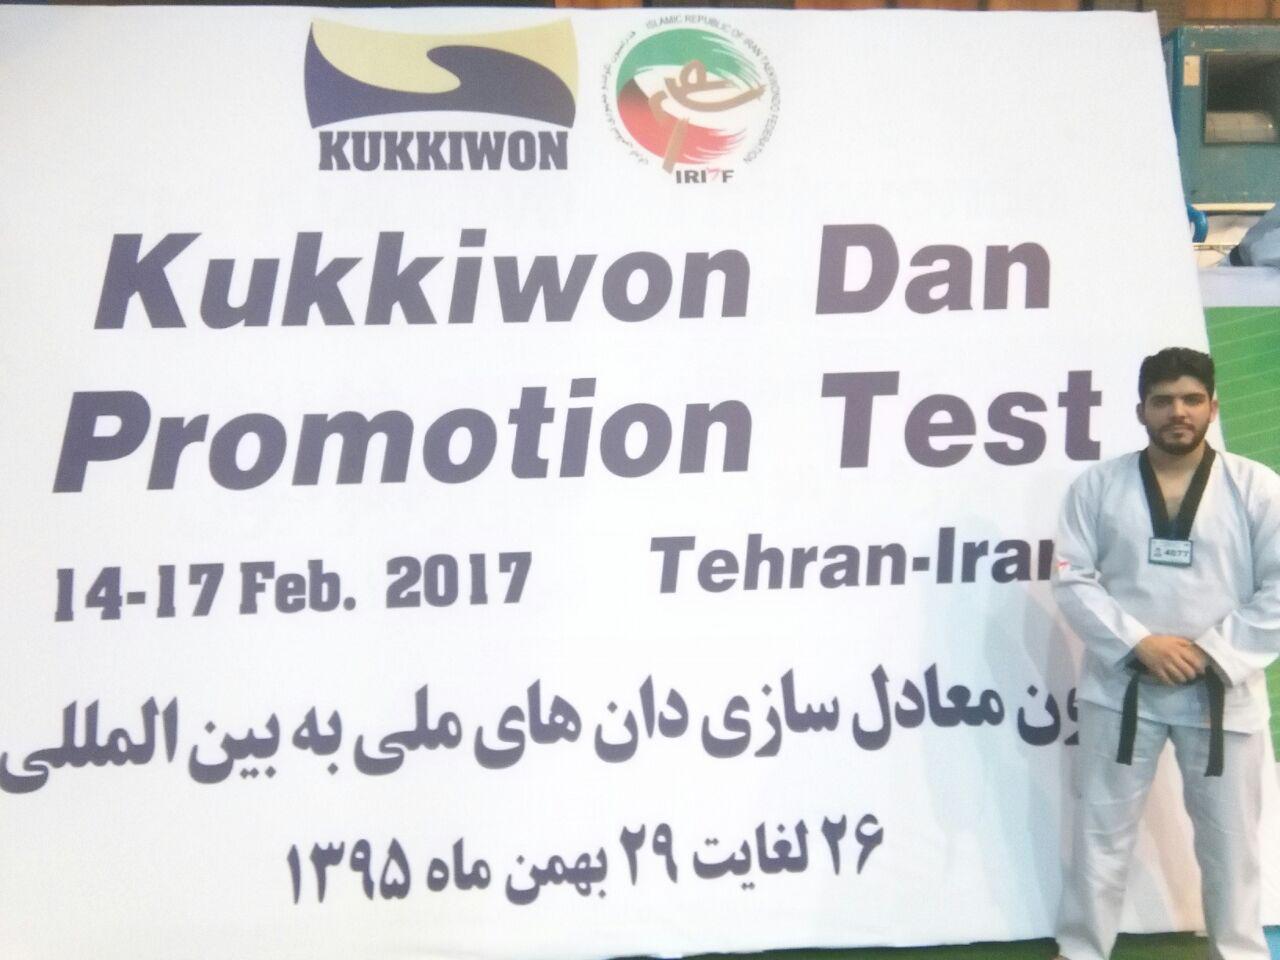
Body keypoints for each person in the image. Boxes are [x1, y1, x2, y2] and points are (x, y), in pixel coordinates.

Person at [1051, 346, 1280, 960]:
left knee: (1232, 845)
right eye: (1163, 401)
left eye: (1191, 399)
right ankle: (1081, 950)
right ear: (1141, 410)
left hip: (1221, 692)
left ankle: (1239, 953)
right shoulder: (1097, 486)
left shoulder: (1258, 488)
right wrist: (1139, 643)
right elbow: (1072, 578)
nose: (1178, 411)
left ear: (1213, 407)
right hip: (1123, 689)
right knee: (1101, 834)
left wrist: (1211, 652)